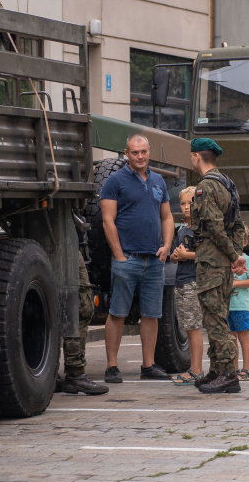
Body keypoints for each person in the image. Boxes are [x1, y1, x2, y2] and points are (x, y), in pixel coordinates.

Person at [99, 134, 174, 383]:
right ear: (126, 153)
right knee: (117, 313)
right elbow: (107, 220)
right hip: (127, 258)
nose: (140, 156)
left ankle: (148, 365)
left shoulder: (158, 181)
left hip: (154, 260)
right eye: (134, 152)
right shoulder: (114, 181)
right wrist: (119, 255)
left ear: (149, 152)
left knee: (151, 315)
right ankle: (112, 367)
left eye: (143, 152)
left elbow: (167, 217)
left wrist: (166, 247)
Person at [189, 137, 248, 394]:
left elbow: (213, 226)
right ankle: (216, 370)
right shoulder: (227, 184)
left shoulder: (205, 187)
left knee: (214, 319)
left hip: (211, 262)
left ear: (196, 157)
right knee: (217, 315)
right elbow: (236, 225)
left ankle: (228, 374)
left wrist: (233, 257)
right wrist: (235, 255)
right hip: (222, 263)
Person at [168, 186, 205, 385]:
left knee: (194, 327)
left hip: (194, 282)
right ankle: (193, 368)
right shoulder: (181, 230)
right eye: (183, 203)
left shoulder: (201, 229)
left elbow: (205, 255)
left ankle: (197, 370)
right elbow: (174, 257)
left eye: (190, 203)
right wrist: (175, 256)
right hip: (180, 282)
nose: (186, 207)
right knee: (187, 327)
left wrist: (185, 255)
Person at [58, 252, 109, 395]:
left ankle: (53, 374)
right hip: (61, 243)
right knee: (80, 307)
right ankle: (76, 373)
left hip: (37, 243)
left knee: (49, 303)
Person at [230, 226, 249, 380]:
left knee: (243, 338)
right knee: (231, 339)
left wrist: (235, 284)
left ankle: (246, 370)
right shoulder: (228, 260)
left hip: (240, 306)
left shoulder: (247, 260)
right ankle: (234, 370)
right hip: (227, 307)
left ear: (245, 242)